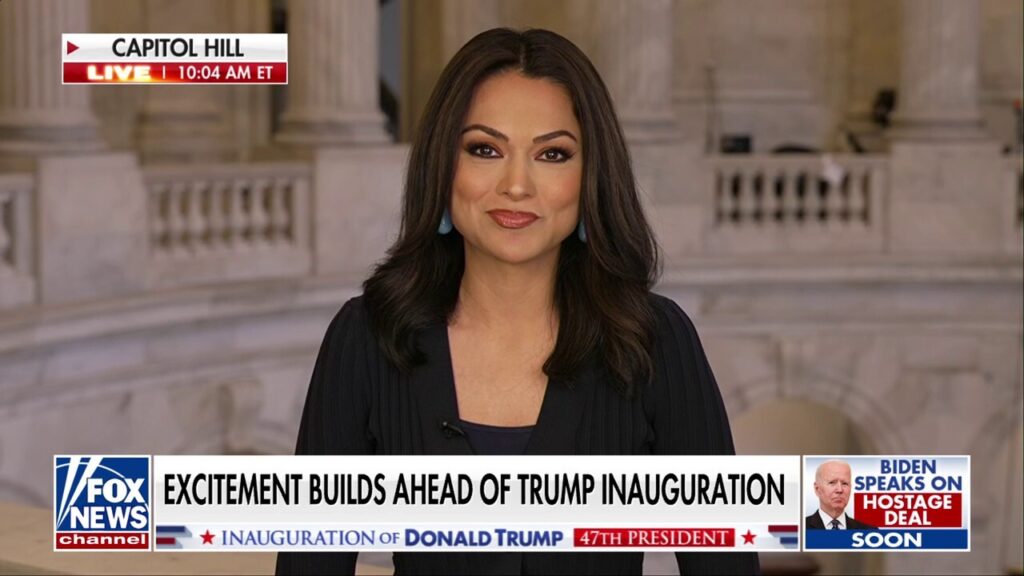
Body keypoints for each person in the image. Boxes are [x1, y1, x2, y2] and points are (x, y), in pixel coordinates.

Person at [276, 28, 759, 575]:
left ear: (590, 178)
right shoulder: (366, 337)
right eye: (485, 149)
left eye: (552, 154)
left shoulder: (655, 341)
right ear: (444, 167)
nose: (516, 185)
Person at [805, 460, 876, 530]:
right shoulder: (801, 529)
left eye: (844, 483)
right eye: (832, 483)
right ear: (817, 489)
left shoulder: (869, 532)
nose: (840, 490)